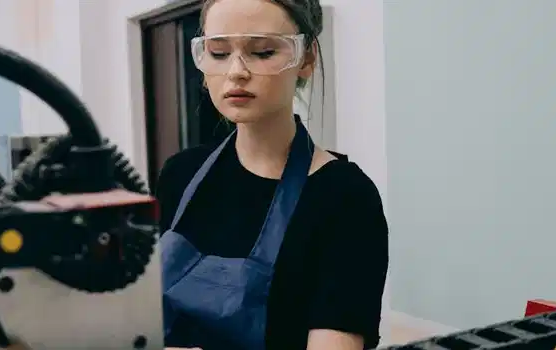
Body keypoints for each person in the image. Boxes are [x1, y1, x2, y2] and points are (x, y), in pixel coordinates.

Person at [157, 0, 389, 349]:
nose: (236, 71)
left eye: (263, 52)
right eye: (219, 52)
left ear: (306, 59)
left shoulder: (344, 198)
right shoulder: (179, 174)